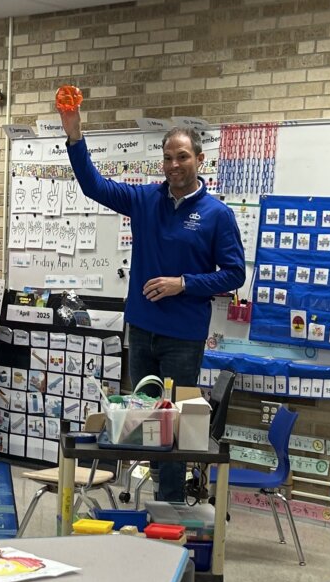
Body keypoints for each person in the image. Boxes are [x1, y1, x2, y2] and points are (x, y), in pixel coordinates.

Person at [60, 103, 244, 501]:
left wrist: (184, 283)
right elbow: (94, 186)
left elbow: (234, 274)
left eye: (182, 157)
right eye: (167, 157)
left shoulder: (217, 215)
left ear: (199, 159)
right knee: (140, 422)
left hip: (183, 338)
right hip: (141, 330)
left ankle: (171, 504)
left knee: (173, 427)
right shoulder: (145, 200)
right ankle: (142, 505)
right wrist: (75, 135)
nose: (173, 165)